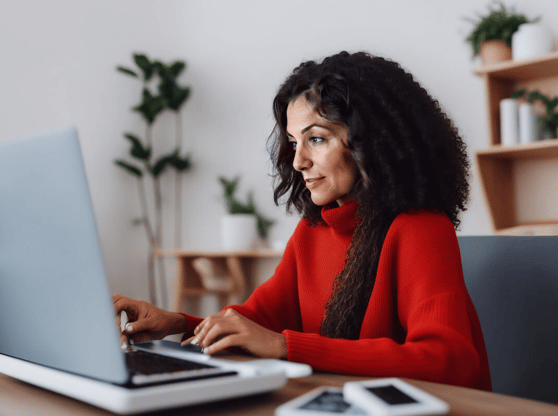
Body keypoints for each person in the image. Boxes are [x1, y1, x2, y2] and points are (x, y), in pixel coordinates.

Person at [113, 51, 492, 391]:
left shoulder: (421, 227)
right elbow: (254, 321)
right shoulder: (313, 231)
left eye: (317, 139)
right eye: (294, 142)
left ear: (372, 141)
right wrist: (177, 322)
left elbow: (448, 361)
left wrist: (283, 346)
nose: (298, 162)